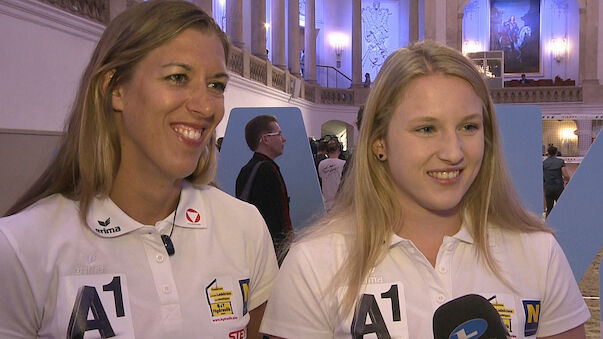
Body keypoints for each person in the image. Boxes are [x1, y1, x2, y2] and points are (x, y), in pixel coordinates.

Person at [260, 41, 589, 338]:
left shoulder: (538, 252)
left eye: (469, 126)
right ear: (379, 143)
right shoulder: (314, 263)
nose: (454, 151)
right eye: (427, 128)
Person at [0, 2, 278, 338]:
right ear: (114, 88)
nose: (206, 107)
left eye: (216, 85)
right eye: (178, 77)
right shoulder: (21, 247)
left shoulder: (244, 227)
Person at [236, 115, 292, 263]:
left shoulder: (248, 169)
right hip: (270, 253)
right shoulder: (266, 170)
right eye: (279, 134)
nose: (283, 139)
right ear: (265, 139)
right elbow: (273, 218)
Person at [318, 140, 346, 211]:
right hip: (340, 201)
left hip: (326, 201)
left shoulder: (321, 164)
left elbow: (321, 177)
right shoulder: (343, 164)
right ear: (339, 150)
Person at [543, 145, 571, 217]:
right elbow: (565, 175)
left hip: (548, 187)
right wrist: (568, 181)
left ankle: (548, 225)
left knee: (549, 208)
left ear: (548, 153)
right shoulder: (560, 162)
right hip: (558, 187)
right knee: (561, 208)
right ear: (556, 153)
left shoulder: (544, 163)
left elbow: (542, 175)